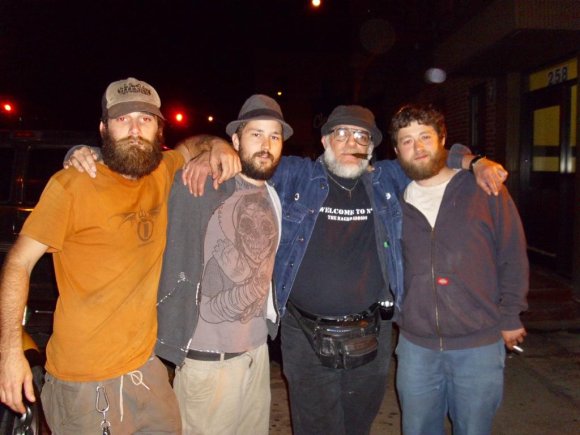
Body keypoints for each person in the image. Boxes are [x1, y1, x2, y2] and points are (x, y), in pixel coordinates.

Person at [181, 104, 508, 435]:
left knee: (357, 425)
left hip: (371, 333)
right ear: (325, 142)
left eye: (361, 136)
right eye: (342, 133)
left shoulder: (385, 179)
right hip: (304, 333)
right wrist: (218, 146)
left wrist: (475, 161)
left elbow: (429, 152)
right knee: (315, 427)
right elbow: (252, 158)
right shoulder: (296, 174)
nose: (352, 142)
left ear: (371, 147)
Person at [0, 77, 200, 434]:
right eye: (123, 119)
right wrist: (9, 351)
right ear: (104, 128)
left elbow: (197, 145)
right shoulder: (72, 186)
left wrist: (222, 150)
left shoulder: (161, 173)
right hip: (84, 382)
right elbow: (18, 262)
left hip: (145, 369)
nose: (135, 129)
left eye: (146, 119)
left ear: (159, 130)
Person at [390, 104, 528, 435]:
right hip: (416, 346)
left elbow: (512, 253)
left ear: (443, 140)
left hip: (478, 343)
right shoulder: (392, 199)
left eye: (425, 136)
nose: (418, 147)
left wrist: (511, 315)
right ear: (396, 151)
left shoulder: (483, 188)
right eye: (407, 141)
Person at [155, 94, 289, 434]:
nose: (266, 144)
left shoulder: (273, 195)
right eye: (256, 134)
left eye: (274, 136)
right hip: (207, 361)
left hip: (256, 355)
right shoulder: (201, 182)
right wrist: (86, 155)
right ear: (235, 140)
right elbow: (139, 174)